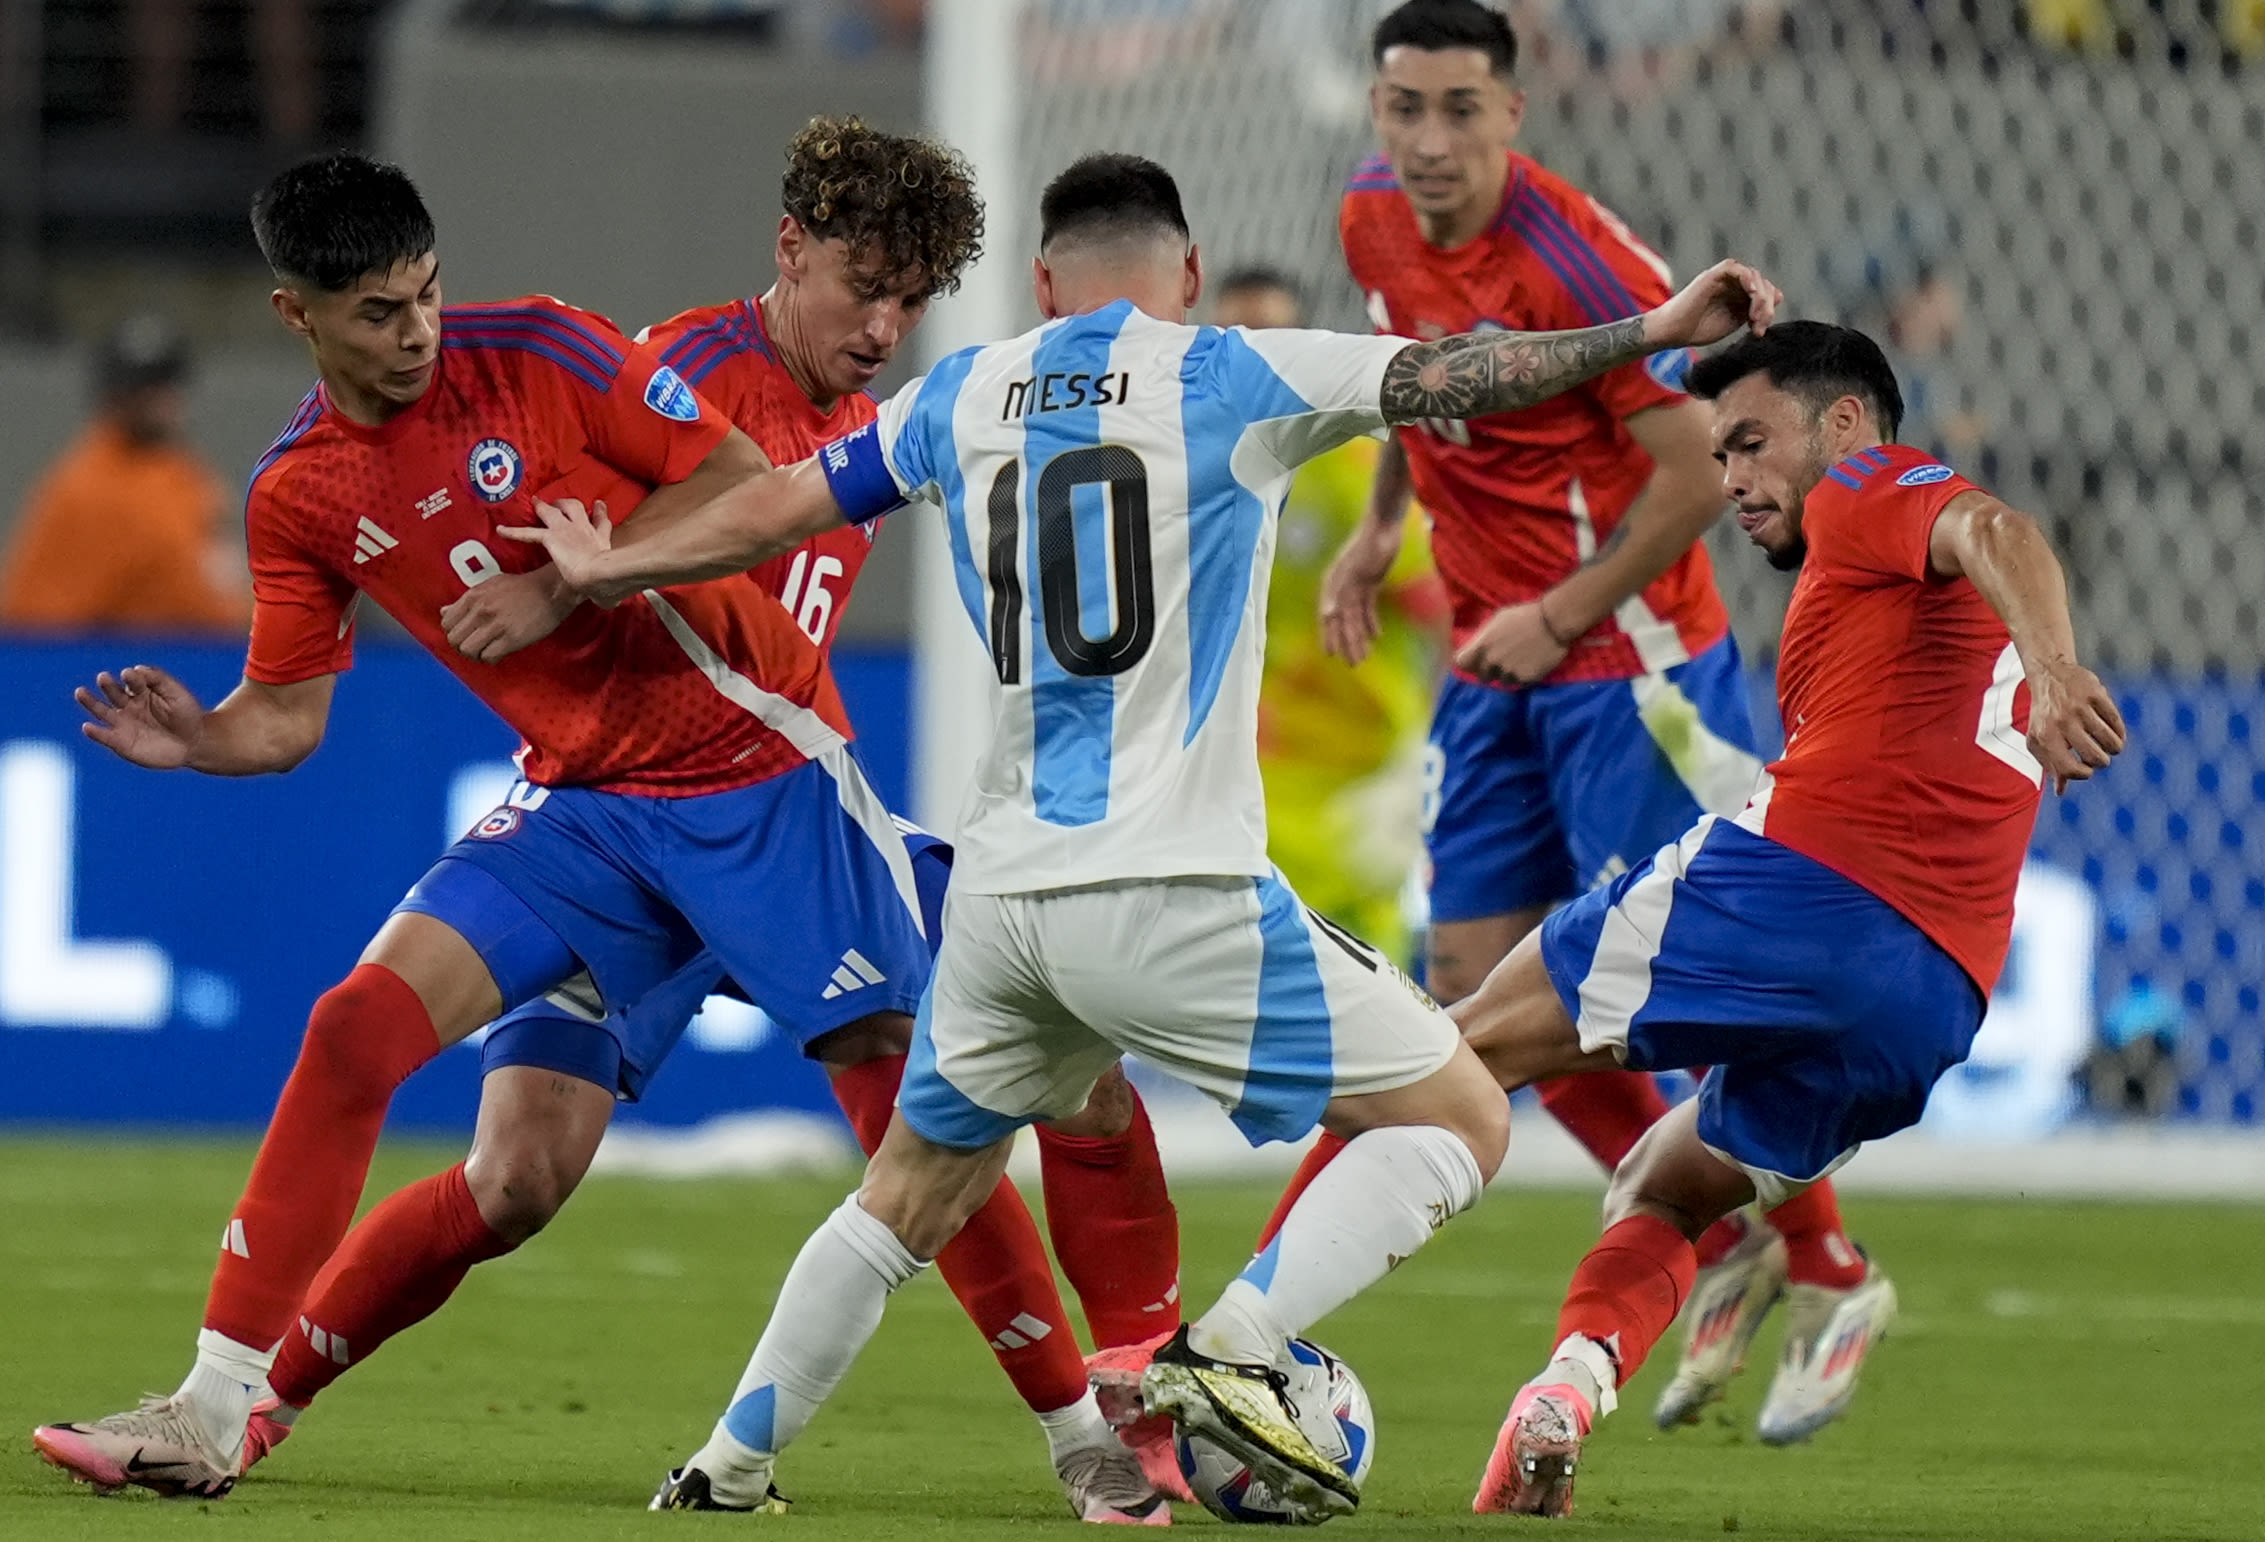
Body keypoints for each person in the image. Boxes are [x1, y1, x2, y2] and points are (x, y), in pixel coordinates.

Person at [500, 153, 1780, 1520]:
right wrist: (1648, 331)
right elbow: (1456, 376)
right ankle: (1227, 1350)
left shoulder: (960, 390)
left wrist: (611, 564)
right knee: (1462, 1112)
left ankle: (727, 1464)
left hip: (998, 908)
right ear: (1184, 272)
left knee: (908, 1195)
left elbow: (773, 505)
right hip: (1171, 889)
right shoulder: (1230, 370)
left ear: (1042, 281)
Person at [28, 148, 1158, 1524]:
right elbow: (283, 714)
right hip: (585, 804)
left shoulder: (552, 352)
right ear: (297, 315)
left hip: (760, 784)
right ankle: (214, 1408)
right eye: (379, 312)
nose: (417, 332)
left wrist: (571, 590)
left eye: (427, 295)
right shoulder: (309, 487)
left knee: (917, 1120)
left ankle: (1084, 1440)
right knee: (393, 1064)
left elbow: (732, 488)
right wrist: (201, 740)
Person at [1296, 0, 1885, 1438]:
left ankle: (1829, 1262)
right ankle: (1717, 1227)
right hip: (1499, 658)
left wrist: (1561, 613)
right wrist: (1381, 529)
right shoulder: (1370, 217)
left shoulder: (1583, 264)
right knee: (1475, 994)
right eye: (1403, 108)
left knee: (1680, 998)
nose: (1427, 141)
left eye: (1457, 110)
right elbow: (1411, 391)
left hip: (1621, 658)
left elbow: (1695, 475)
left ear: (1513, 112)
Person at [1454, 320, 2124, 1515]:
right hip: (1930, 1002)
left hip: (1802, 891)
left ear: (1847, 425)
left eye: (1752, 445)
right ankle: (1569, 1385)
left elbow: (1997, 527)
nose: (1732, 482)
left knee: (1446, 1057)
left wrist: (2058, 661)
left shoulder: (1874, 484)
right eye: (1720, 456)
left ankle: (1236, 1339)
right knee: (1666, 1184)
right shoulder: (1876, 590)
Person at [1209, 267, 1445, 963]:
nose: (1256, 355)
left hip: (1356, 779)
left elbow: (1441, 612)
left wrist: (1423, 757)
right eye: (1236, 338)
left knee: (1371, 989)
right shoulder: (1198, 466)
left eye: (1274, 337)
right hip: (1250, 771)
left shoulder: (1351, 470)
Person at [0, 314, 251, 635]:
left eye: (166, 381)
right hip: (133, 668)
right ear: (110, 395)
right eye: (141, 387)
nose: (158, 398)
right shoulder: (84, 489)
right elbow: (28, 629)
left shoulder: (188, 475)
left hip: (211, 665)